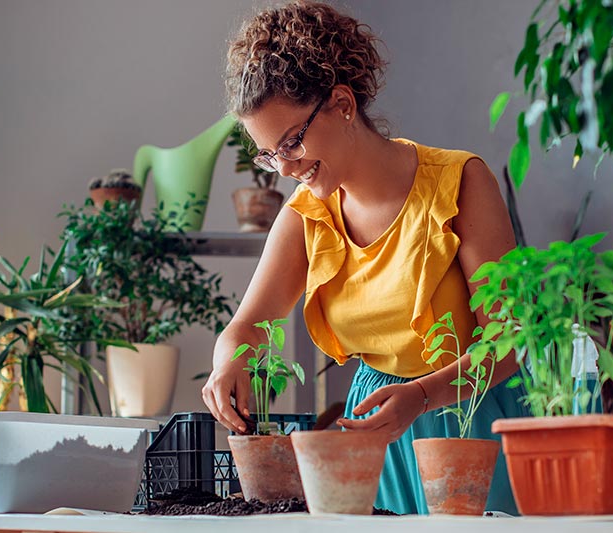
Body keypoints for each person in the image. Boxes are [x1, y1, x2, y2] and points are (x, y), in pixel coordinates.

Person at [202, 0, 528, 515]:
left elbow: (508, 343)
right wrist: (227, 363)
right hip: (375, 430)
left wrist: (421, 397)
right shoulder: (305, 216)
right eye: (268, 154)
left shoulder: (460, 182)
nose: (285, 169)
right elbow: (245, 327)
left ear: (342, 103)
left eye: (291, 142)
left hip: (472, 420)